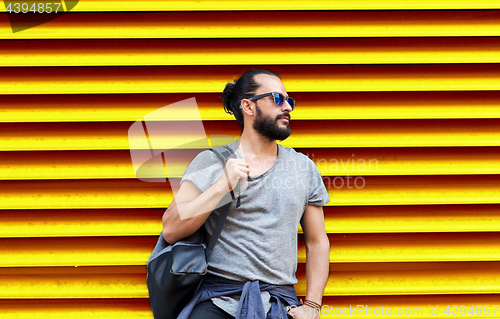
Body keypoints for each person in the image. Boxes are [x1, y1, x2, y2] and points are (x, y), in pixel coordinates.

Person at [161, 69, 330, 319]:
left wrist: (313, 306)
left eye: (289, 100)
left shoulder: (303, 167)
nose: (288, 107)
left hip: (279, 304)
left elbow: (317, 241)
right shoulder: (211, 161)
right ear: (248, 106)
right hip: (217, 301)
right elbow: (171, 229)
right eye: (277, 98)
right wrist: (221, 186)